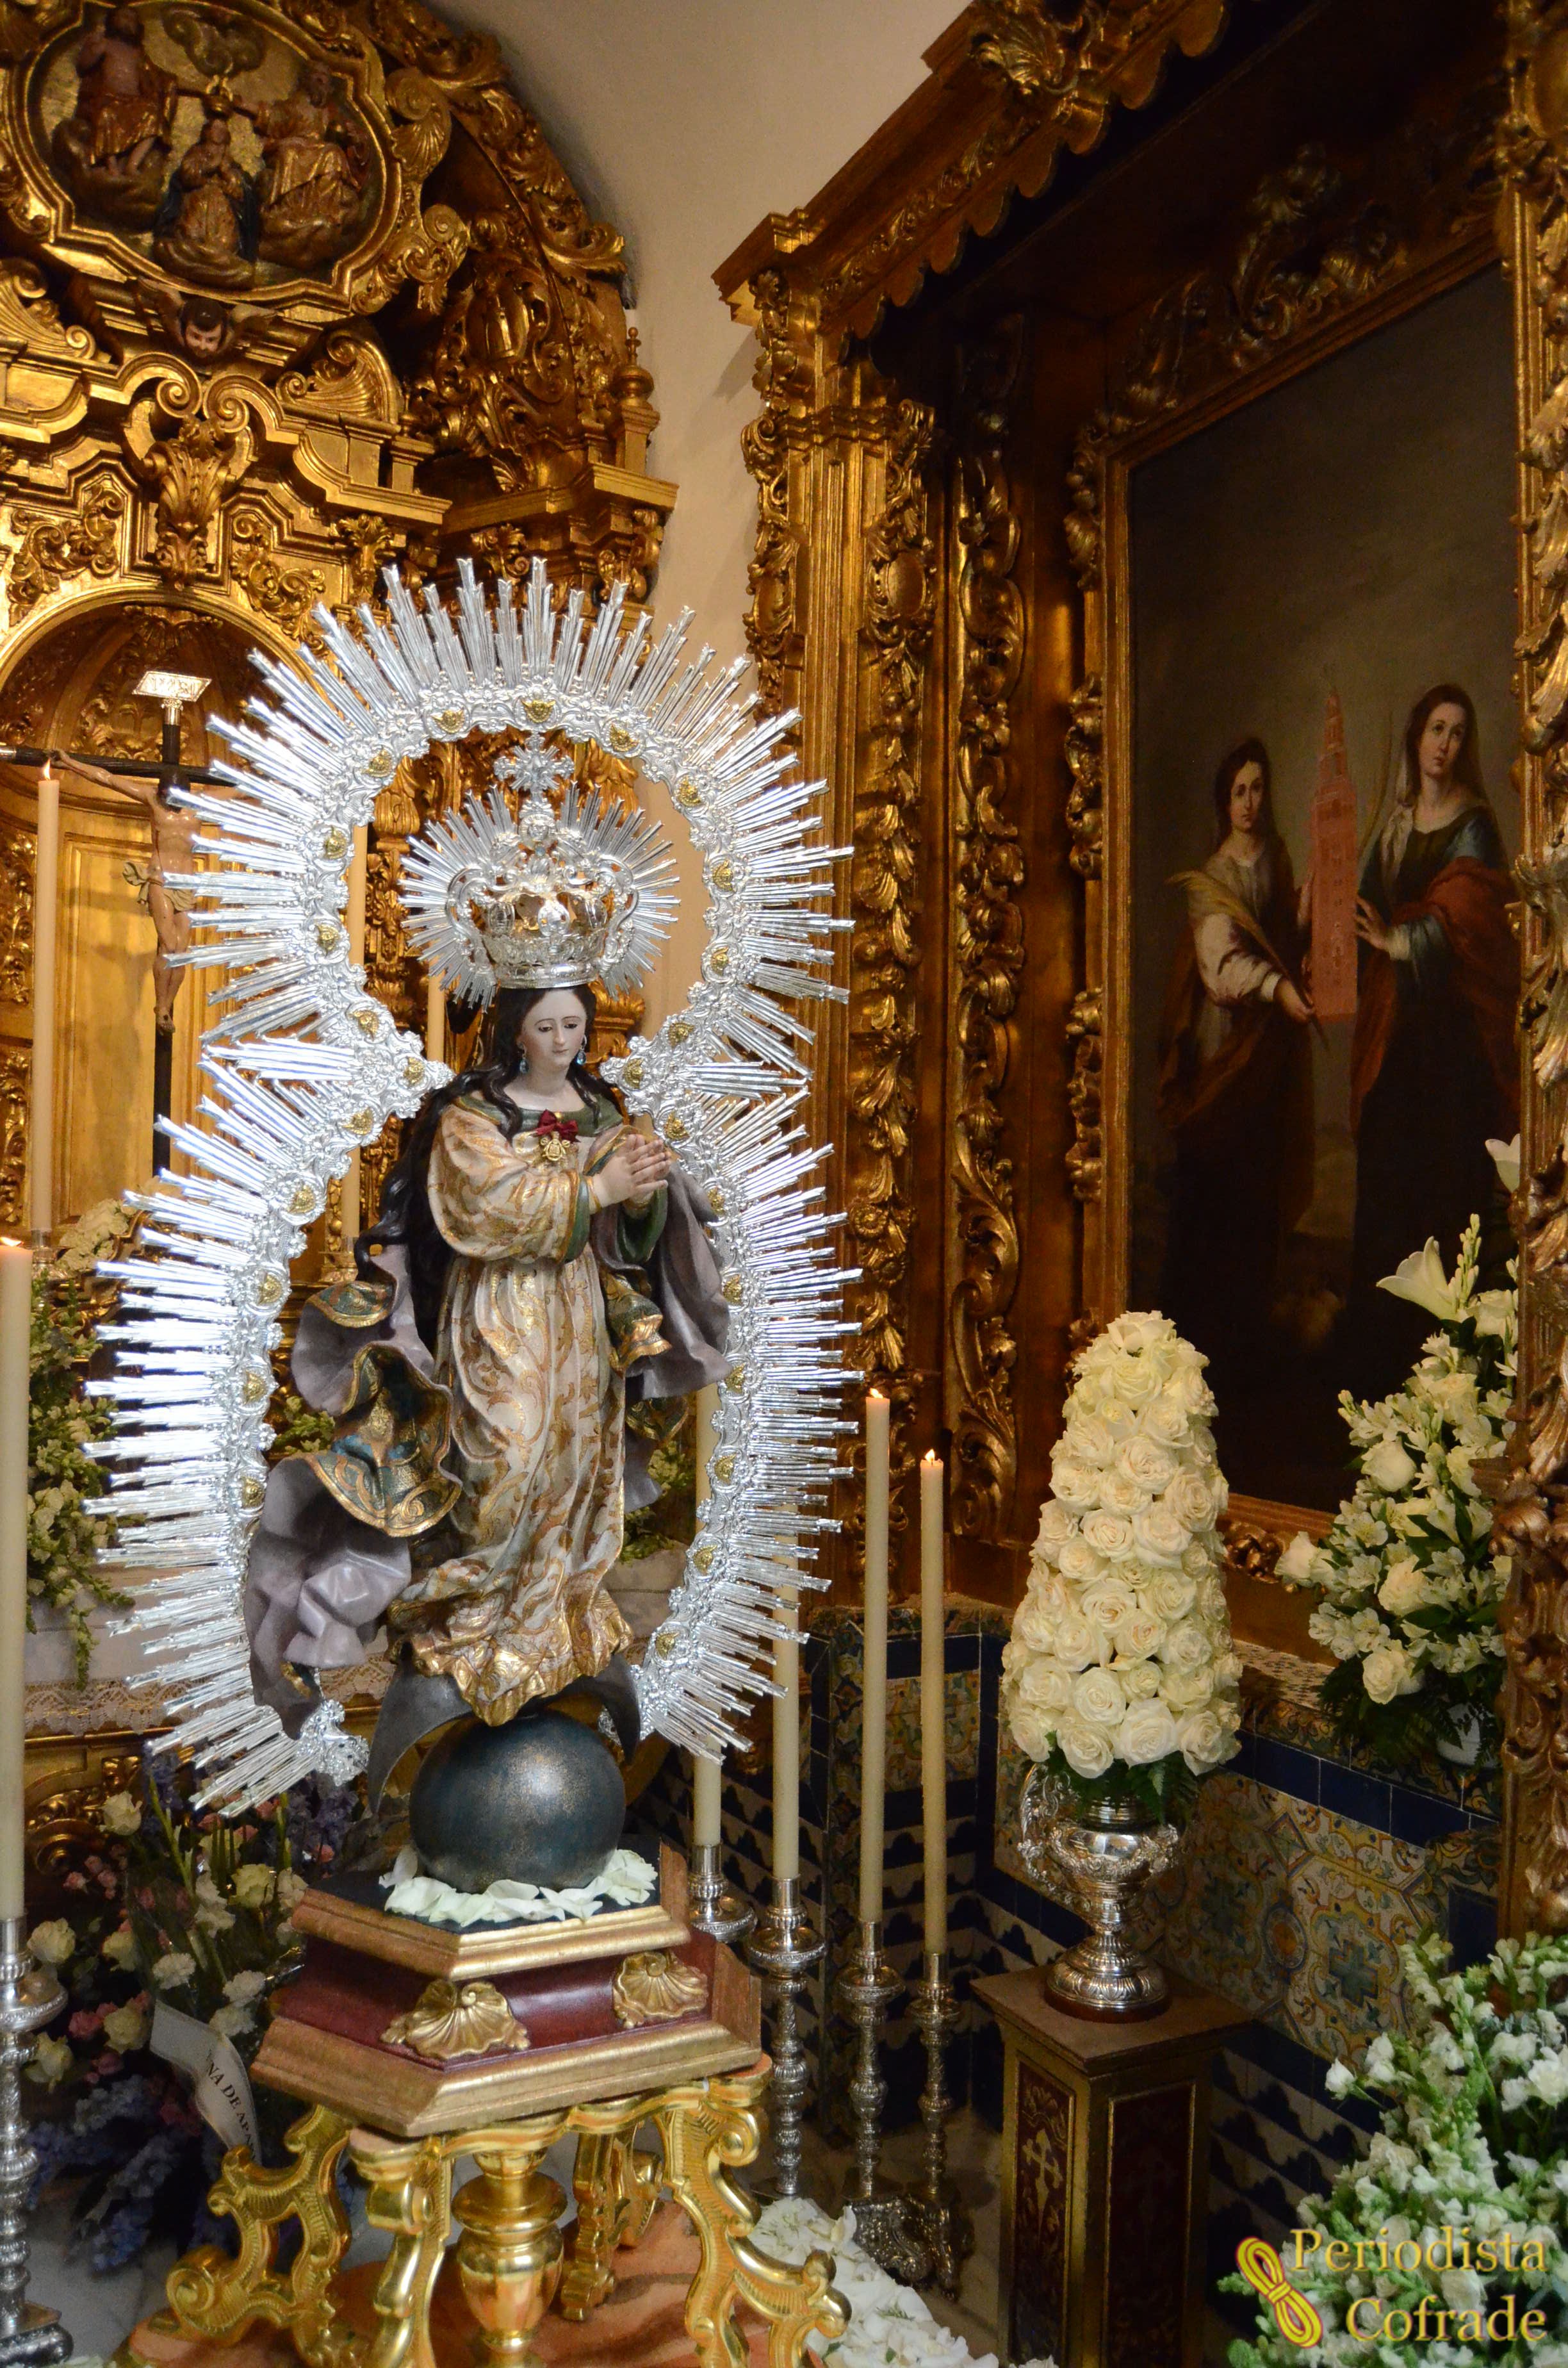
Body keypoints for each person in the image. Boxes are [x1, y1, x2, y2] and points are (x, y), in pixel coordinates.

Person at [245, 979, 731, 1732]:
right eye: (547, 1026)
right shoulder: (470, 1118)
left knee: (574, 1462)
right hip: (499, 1315)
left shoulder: (598, 1111)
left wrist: (639, 1195)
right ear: (515, 1032)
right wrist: (595, 1191)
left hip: (577, 1317)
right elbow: (485, 1206)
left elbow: (628, 1228)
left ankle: (554, 1615)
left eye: (573, 1024)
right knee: (505, 1458)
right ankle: (470, 1615)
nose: (563, 1041)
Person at [1346, 682, 1518, 1392]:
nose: (1445, 744)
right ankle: (1377, 1361)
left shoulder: (1474, 826)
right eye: (1437, 729)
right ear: (1417, 736)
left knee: (1443, 1193)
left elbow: (1479, 922)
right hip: (1396, 1042)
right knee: (1388, 1182)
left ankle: (1445, 1375)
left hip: (1452, 1051)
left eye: (1457, 733)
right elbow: (1361, 909)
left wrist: (1400, 941)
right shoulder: (1393, 828)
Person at [1156, 737, 1315, 1394]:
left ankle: (1246, 1338)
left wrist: (1308, 916)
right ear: (1225, 801)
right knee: (1215, 1197)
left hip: (1267, 1058)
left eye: (1258, 789)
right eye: (1239, 791)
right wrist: (1279, 988)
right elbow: (1223, 971)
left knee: (1258, 1194)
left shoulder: (1275, 857)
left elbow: (1281, 936)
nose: (1249, 802)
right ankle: (1202, 1341)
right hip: (1227, 1056)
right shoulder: (1214, 875)